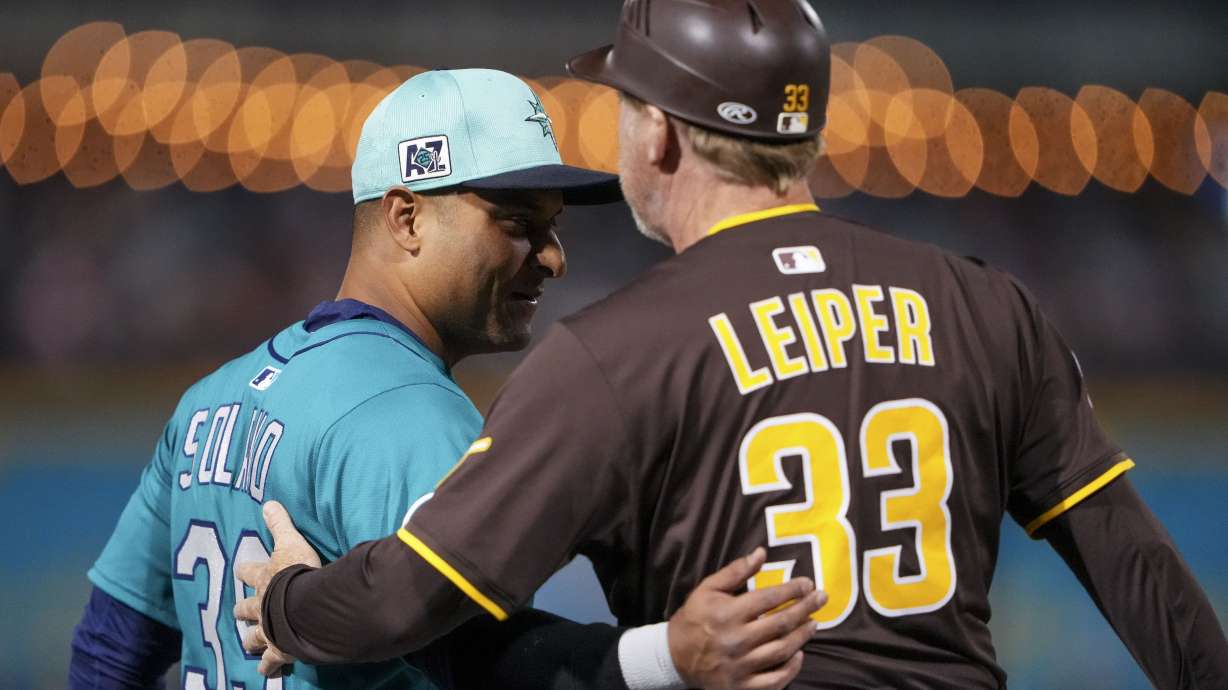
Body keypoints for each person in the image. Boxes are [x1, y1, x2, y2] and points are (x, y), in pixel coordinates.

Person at [239, 1, 1228, 688]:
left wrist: (286, 605)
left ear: (662, 136)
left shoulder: (614, 354)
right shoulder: (985, 306)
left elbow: (413, 602)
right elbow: (1143, 579)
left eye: (625, 108)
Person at [70, 67, 822, 690]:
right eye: (518, 222)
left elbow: (110, 649)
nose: (555, 257)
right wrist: (669, 658)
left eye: (552, 225)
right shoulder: (409, 415)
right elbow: (492, 670)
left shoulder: (211, 398)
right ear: (405, 218)